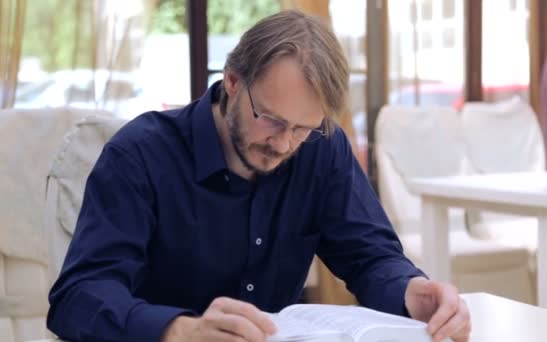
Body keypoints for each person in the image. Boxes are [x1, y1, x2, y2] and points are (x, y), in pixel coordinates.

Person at [47, 10, 471, 342]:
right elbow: (79, 296)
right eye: (270, 119)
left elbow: (369, 255)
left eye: (302, 128)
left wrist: (409, 290)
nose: (285, 144)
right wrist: (179, 331)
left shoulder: (322, 148)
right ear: (232, 80)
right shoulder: (140, 155)